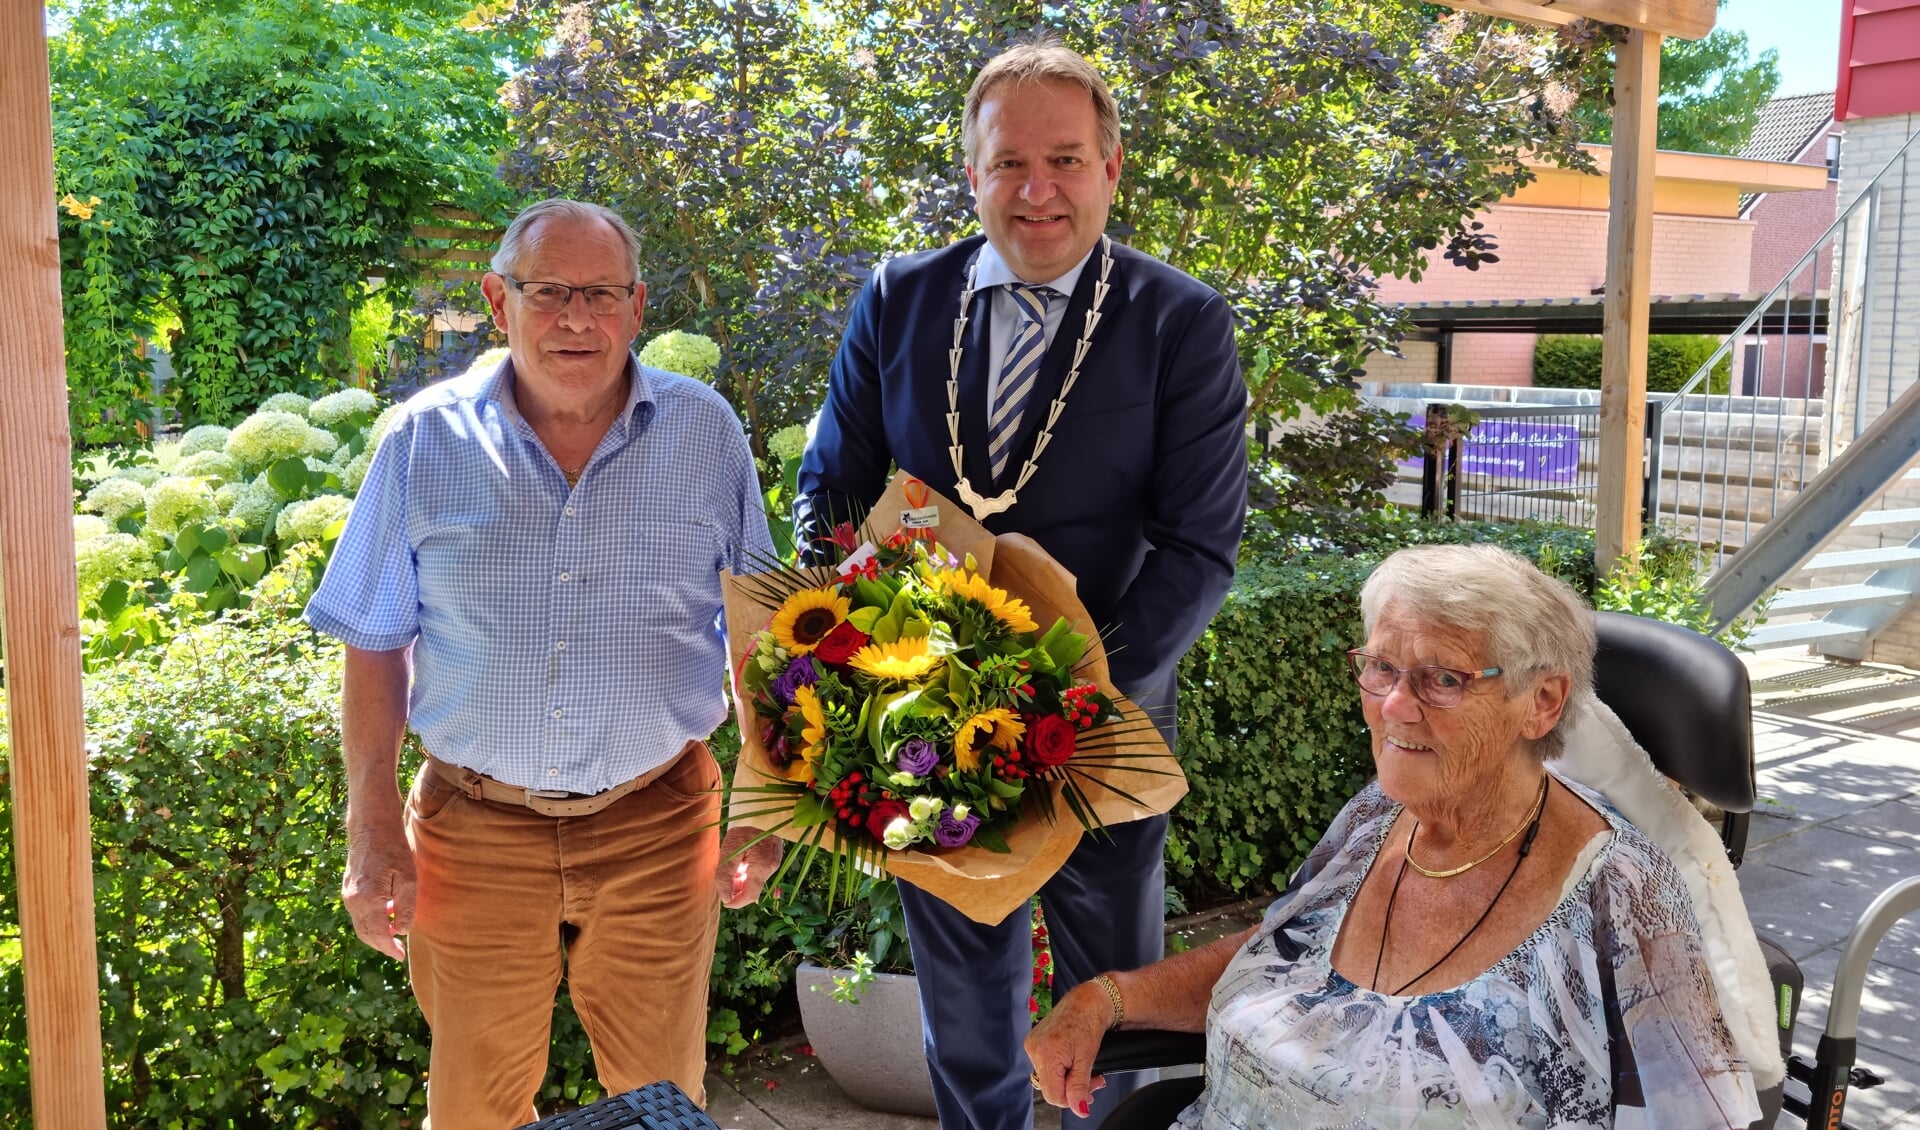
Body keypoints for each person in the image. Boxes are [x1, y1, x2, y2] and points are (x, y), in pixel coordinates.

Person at [792, 35, 1249, 1130]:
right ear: (971, 172)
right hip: (928, 723)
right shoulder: (900, 297)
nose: (1037, 190)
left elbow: (1199, 548)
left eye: (1066, 160)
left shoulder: (1179, 321)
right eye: (1008, 163)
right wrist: (859, 645)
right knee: (964, 1005)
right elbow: (829, 489)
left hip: (1102, 724)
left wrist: (1067, 702)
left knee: (1116, 1007)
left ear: (1112, 168)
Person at [305, 198, 780, 1128]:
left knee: (661, 1104)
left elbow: (757, 638)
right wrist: (370, 829)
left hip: (659, 822)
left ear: (637, 306)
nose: (577, 318)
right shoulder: (422, 441)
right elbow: (373, 640)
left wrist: (767, 805)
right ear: (498, 300)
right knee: (477, 1108)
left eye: (601, 293)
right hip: (476, 830)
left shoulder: (705, 432)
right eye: (549, 291)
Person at [1025, 544, 1764, 1130]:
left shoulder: (1621, 892)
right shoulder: (1379, 814)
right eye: (1381, 668)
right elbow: (1280, 952)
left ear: (1540, 701)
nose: (1395, 707)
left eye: (1443, 679)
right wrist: (1106, 998)